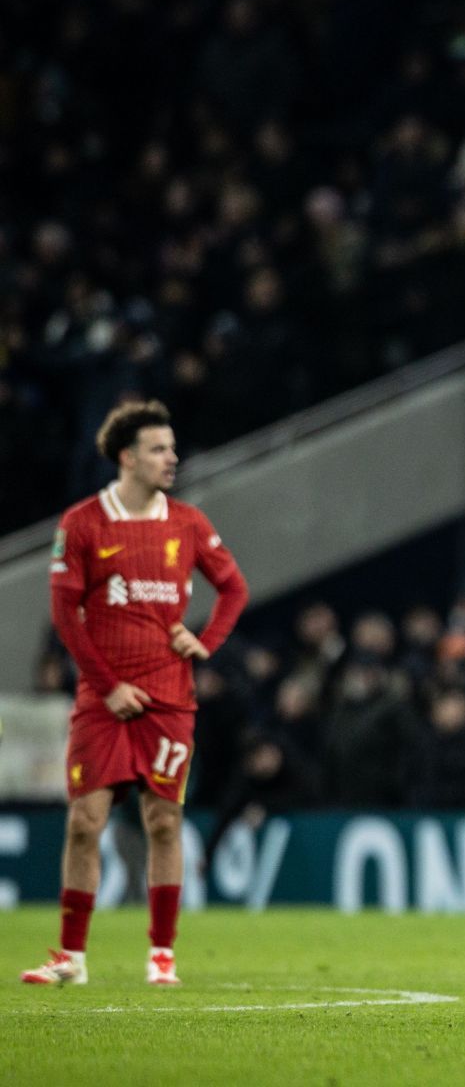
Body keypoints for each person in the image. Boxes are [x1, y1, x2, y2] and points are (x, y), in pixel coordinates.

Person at [22, 400, 250, 988]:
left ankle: (162, 955)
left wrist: (206, 642)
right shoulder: (80, 523)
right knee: (83, 822)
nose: (171, 458)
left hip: (169, 700)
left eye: (172, 448)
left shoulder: (189, 523)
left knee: (164, 822)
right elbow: (64, 616)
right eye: (158, 449)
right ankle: (71, 957)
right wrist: (108, 687)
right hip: (103, 700)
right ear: (127, 457)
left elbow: (233, 588)